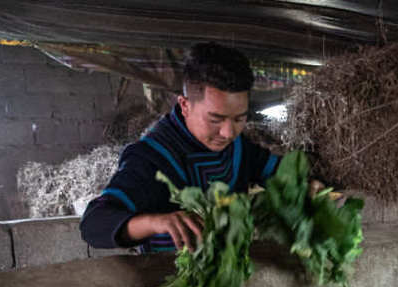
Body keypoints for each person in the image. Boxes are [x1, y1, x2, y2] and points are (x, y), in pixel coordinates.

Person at [80, 41, 280, 252]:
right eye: (215, 120)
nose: (228, 133)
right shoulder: (151, 157)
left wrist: (308, 185)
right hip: (169, 275)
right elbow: (94, 224)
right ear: (185, 105)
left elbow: (278, 171)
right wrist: (156, 222)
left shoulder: (239, 147)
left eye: (239, 119)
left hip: (233, 269)